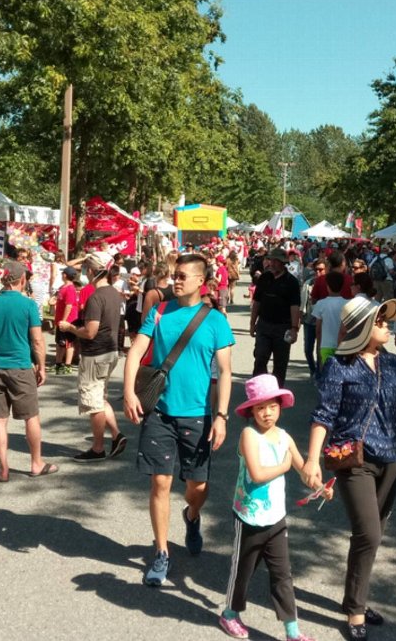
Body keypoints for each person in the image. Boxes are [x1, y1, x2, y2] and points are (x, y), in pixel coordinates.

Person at [303, 297, 396, 640]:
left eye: (387, 322)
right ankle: (356, 612)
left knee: (369, 538)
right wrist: (312, 459)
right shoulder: (339, 366)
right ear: (362, 328)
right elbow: (323, 415)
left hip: (391, 459)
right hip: (354, 460)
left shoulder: (393, 363)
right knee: (369, 535)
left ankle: (354, 598)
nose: (388, 327)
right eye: (380, 322)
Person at [122, 252, 235, 588]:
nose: (177, 280)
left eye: (184, 275)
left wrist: (222, 416)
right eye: (176, 274)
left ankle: (192, 516)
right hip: (159, 411)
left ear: (202, 281)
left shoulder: (215, 321)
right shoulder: (159, 312)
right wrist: (129, 392)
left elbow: (226, 372)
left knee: (197, 488)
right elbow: (135, 350)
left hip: (198, 415)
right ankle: (161, 552)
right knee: (160, 483)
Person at [219, 374, 320, 641]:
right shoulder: (248, 434)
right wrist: (284, 467)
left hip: (276, 520)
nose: (267, 413)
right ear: (251, 410)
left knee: (282, 575)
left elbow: (303, 469)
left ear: (280, 406)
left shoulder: (284, 437)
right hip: (249, 517)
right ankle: (229, 614)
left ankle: (292, 631)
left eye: (272, 406)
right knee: (243, 571)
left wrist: (320, 486)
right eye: (261, 407)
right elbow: (257, 474)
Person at [0, 261, 57, 481]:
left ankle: (3, 470)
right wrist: (41, 366)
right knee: (31, 416)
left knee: (0, 420)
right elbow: (38, 340)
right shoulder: (28, 305)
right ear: (22, 279)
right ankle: (36, 463)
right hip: (21, 367)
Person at [60, 250, 127, 462]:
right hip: (110, 350)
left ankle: (98, 448)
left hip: (95, 354)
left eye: (86, 270)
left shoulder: (96, 297)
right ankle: (116, 435)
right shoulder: (114, 294)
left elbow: (90, 331)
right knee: (100, 396)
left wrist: (70, 328)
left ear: (91, 271)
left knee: (93, 402)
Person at [249, 248, 301, 387]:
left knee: (280, 363)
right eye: (271, 260)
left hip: (283, 327)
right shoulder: (264, 278)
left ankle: (277, 393)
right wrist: (252, 323)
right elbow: (257, 302)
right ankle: (259, 388)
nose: (271, 263)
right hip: (264, 325)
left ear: (283, 263)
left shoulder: (292, 282)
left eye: (275, 261)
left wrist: (294, 328)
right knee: (260, 357)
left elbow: (295, 307)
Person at [312, 271, 347, 370]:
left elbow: (318, 330)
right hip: (343, 346)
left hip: (326, 344)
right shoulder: (348, 304)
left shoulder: (321, 304)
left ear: (327, 286)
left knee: (327, 374)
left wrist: (318, 346)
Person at [53, 266, 80, 376]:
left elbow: (69, 305)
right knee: (60, 343)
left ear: (65, 275)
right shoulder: (63, 287)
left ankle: (67, 365)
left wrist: (64, 321)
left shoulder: (70, 288)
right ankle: (58, 364)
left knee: (68, 343)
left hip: (68, 320)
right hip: (60, 319)